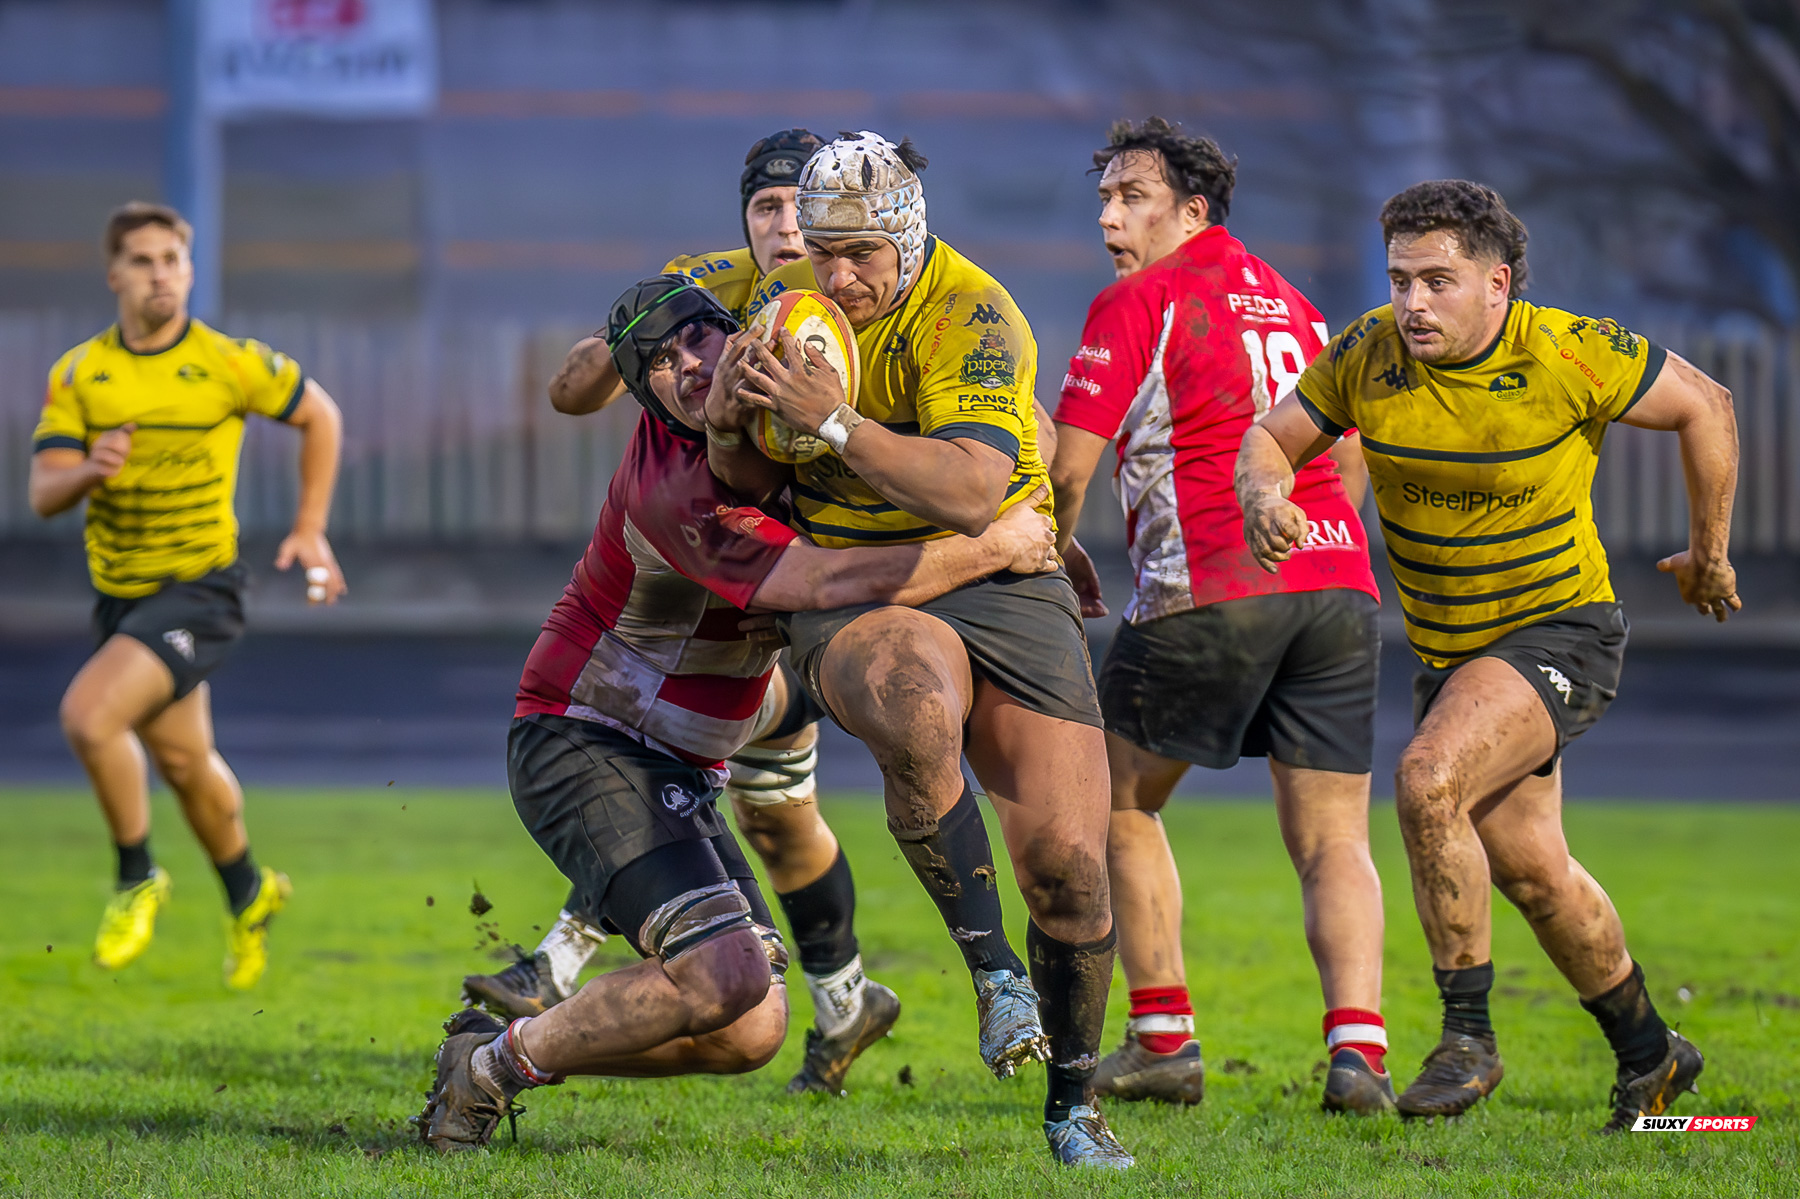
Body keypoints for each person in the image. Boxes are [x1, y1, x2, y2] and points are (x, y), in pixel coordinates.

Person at [420, 275, 1060, 1151]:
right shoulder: (679, 489)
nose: (688, 364)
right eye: (660, 365)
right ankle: (489, 1074)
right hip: (587, 740)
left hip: (680, 755)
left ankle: (499, 1047)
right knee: (722, 974)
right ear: (645, 398)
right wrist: (996, 543)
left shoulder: (778, 429)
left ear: (740, 332)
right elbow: (828, 580)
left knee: (746, 1028)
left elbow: (1016, 433)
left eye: (697, 338)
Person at [1238, 180, 1738, 1132]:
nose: (1412, 303)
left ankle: (1466, 1036)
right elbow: (1270, 438)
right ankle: (1652, 1056)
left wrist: (1708, 552)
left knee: (1428, 779)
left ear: (1497, 284)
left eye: (1438, 281)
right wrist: (1267, 494)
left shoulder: (1567, 349)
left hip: (1563, 631)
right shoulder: (1366, 354)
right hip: (1455, 657)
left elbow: (1706, 406)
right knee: (1535, 871)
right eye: (1400, 280)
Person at [709, 132, 1132, 1169]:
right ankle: (993, 975)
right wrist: (730, 425)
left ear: (908, 236)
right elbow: (750, 478)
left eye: (861, 256)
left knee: (1074, 872)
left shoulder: (974, 312)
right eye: (823, 249)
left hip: (997, 561)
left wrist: (837, 423)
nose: (838, 277)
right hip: (861, 583)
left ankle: (1073, 1105)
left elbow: (971, 491)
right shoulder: (788, 306)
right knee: (913, 699)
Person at [465, 130, 900, 1097]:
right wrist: (625, 354)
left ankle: (829, 993)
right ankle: (548, 1001)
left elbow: (987, 428)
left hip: (709, 683)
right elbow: (574, 387)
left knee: (778, 837)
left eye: (805, 207)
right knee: (769, 818)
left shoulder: (878, 300)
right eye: (768, 210)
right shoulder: (709, 308)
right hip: (638, 695)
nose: (789, 227)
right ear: (744, 223)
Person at [1048, 117, 1391, 1113]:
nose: (1111, 217)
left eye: (1133, 198)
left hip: (1213, 583)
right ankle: (1358, 1053)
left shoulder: (1138, 300)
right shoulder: (1301, 304)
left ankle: (1162, 1038)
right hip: (1338, 586)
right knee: (1333, 834)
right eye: (1105, 198)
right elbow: (1352, 449)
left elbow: (1070, 464)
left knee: (1113, 795)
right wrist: (1325, 543)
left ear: (1194, 211)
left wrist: (1055, 558)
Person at [28, 201, 346, 989]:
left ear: (190, 269)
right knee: (181, 758)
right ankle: (250, 890)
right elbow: (42, 490)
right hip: (122, 598)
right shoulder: (79, 373)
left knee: (89, 715)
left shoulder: (226, 361)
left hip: (200, 588)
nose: (160, 273)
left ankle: (137, 876)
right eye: (142, 260)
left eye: (172, 258)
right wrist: (87, 471)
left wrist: (310, 528)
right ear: (114, 274)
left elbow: (322, 416)